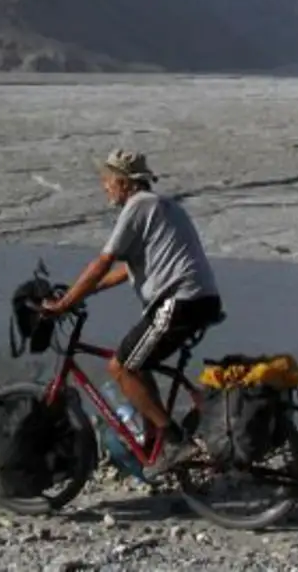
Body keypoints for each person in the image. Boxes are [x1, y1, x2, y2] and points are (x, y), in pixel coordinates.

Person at [41, 149, 223, 479]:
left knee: (121, 366)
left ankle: (173, 442)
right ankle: (156, 436)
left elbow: (102, 262)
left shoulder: (138, 207)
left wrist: (64, 303)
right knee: (139, 361)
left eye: (108, 182)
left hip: (179, 301)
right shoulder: (163, 206)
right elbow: (127, 270)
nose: (105, 188)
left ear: (124, 183)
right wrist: (86, 291)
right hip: (198, 300)